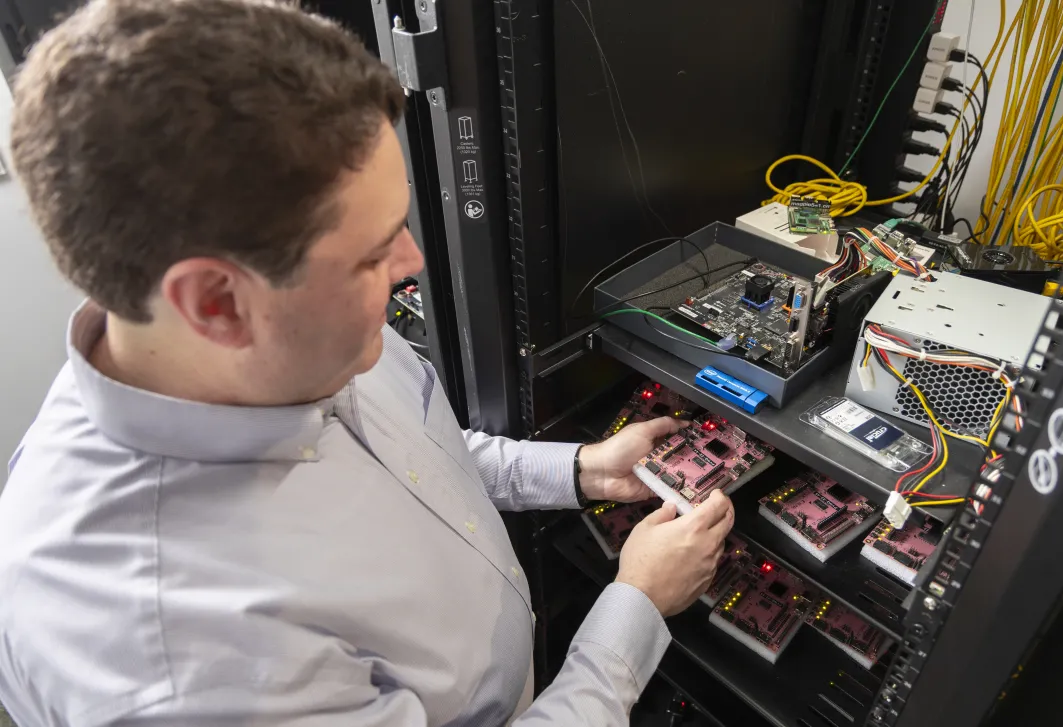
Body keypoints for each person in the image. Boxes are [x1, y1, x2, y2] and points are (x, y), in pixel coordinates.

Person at [0, 1, 736, 725]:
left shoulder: (291, 348)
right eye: (376, 249)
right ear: (216, 303)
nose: (412, 264)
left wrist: (577, 470)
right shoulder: (182, 667)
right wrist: (634, 605)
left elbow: (419, 459)